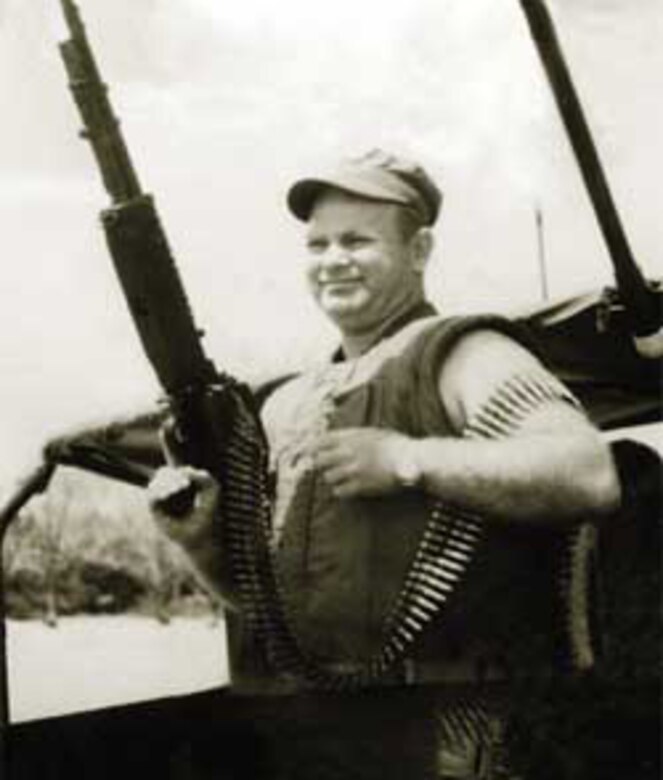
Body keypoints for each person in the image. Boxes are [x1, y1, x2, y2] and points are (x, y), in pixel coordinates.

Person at [148, 149, 621, 779]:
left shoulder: (465, 354)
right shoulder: (288, 403)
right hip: (324, 729)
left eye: (356, 241)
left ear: (419, 250)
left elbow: (587, 472)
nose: (333, 260)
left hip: (464, 728)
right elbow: (272, 610)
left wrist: (410, 459)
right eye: (317, 245)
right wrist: (201, 544)